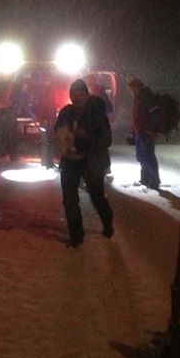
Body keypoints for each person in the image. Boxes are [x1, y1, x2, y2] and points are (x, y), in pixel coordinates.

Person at [54, 79, 114, 247]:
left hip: (91, 161)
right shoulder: (66, 111)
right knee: (69, 199)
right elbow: (57, 128)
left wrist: (86, 136)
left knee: (97, 197)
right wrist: (62, 135)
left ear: (87, 94)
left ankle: (108, 223)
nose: (76, 96)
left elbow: (106, 139)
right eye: (73, 92)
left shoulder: (97, 113)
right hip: (70, 160)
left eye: (80, 92)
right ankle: (76, 237)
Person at [127, 78, 161, 189]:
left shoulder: (147, 98)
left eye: (132, 89)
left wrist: (149, 129)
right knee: (141, 156)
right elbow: (136, 118)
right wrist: (133, 133)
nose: (130, 91)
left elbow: (155, 114)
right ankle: (145, 178)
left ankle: (154, 181)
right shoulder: (138, 99)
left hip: (145, 133)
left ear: (138, 88)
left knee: (148, 156)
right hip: (139, 132)